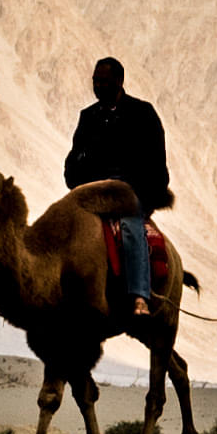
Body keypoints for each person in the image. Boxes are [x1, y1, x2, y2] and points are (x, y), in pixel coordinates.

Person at [64, 55, 175, 297]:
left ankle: (139, 295)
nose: (98, 86)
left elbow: (157, 165)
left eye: (104, 81)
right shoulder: (88, 117)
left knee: (130, 229)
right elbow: (73, 159)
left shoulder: (143, 114)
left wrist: (140, 198)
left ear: (119, 81)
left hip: (130, 194)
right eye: (95, 81)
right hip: (91, 194)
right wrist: (78, 183)